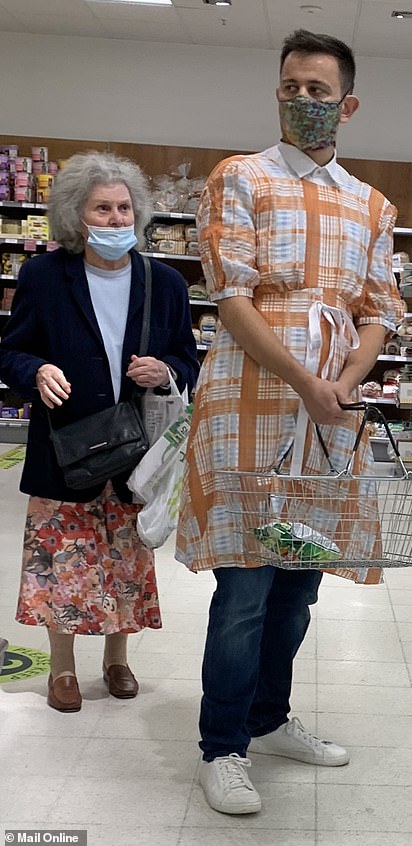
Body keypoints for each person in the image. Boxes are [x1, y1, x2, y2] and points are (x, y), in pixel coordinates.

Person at [176, 29, 404, 814]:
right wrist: (306, 379)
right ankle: (223, 745)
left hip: (326, 417)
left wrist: (340, 382)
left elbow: (378, 309)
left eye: (317, 90)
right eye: (290, 87)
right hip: (250, 403)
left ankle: (269, 719)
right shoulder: (239, 179)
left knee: (298, 587)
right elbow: (231, 298)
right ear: (277, 92)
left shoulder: (371, 204)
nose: (301, 100)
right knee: (245, 587)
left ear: (348, 104)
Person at [0, 151, 199, 713]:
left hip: (137, 447)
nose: (116, 219)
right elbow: (10, 352)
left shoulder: (164, 282)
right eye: (103, 209)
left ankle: (117, 660)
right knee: (58, 558)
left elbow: (188, 357)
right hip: (65, 445)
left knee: (129, 559)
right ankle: (61, 671)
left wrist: (167, 371)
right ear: (75, 216)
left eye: (124, 208)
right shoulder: (43, 276)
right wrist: (35, 371)